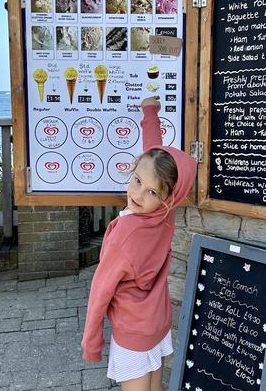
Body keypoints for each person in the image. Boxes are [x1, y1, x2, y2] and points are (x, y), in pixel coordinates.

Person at [81, 95, 197, 390]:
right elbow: (153, 156)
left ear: (167, 198)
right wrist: (149, 113)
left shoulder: (125, 233)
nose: (138, 194)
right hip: (157, 324)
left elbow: (100, 290)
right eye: (136, 181)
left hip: (133, 332)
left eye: (151, 193)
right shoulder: (165, 215)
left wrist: (92, 342)